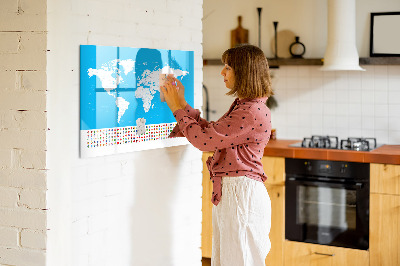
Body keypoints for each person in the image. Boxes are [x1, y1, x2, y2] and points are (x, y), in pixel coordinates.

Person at [161, 44, 273, 266]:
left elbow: (204, 141)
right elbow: (212, 133)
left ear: (244, 72)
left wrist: (176, 108)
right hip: (236, 193)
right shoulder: (246, 106)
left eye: (228, 67)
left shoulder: (250, 111)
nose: (222, 72)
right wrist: (182, 104)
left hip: (241, 195)